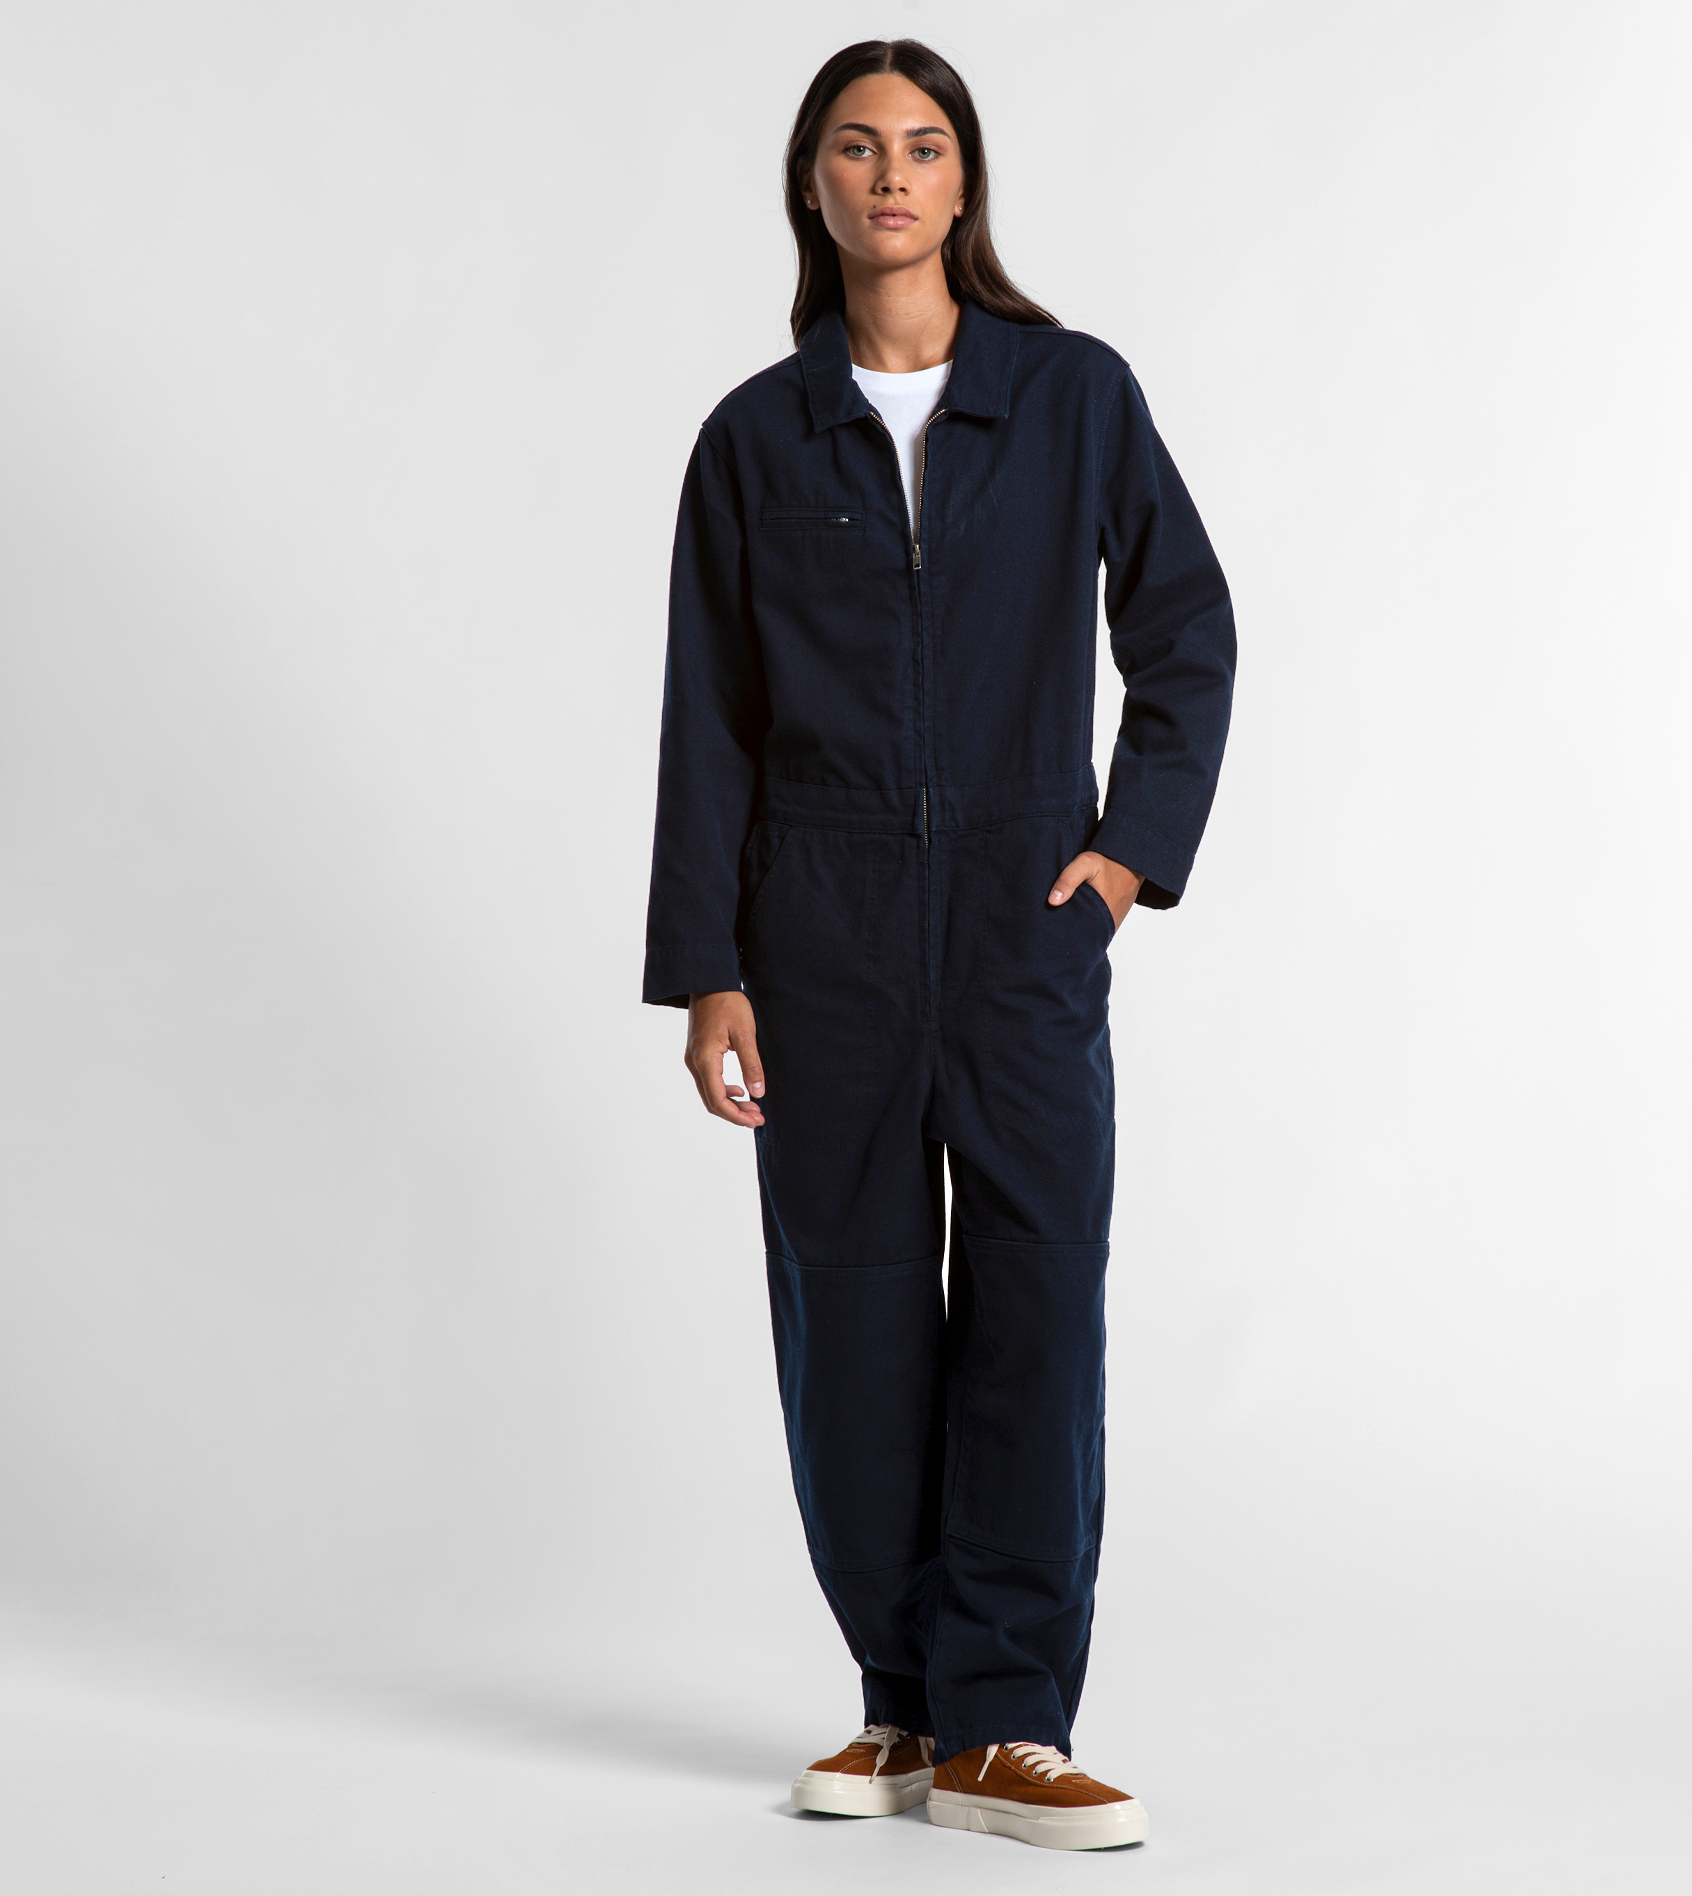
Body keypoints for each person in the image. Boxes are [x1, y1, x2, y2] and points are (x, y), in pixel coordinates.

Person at [642, 38, 1235, 1852]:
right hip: (816, 938)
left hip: (1018, 925)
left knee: (1036, 1305)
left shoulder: (1072, 397)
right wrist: (712, 966)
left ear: (965, 182)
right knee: (855, 1323)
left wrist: (1124, 858)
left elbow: (1188, 633)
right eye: (855, 146)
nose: (890, 174)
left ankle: (1011, 1722)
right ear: (813, 185)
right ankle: (902, 1704)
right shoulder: (756, 438)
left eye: (921, 145)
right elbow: (710, 720)